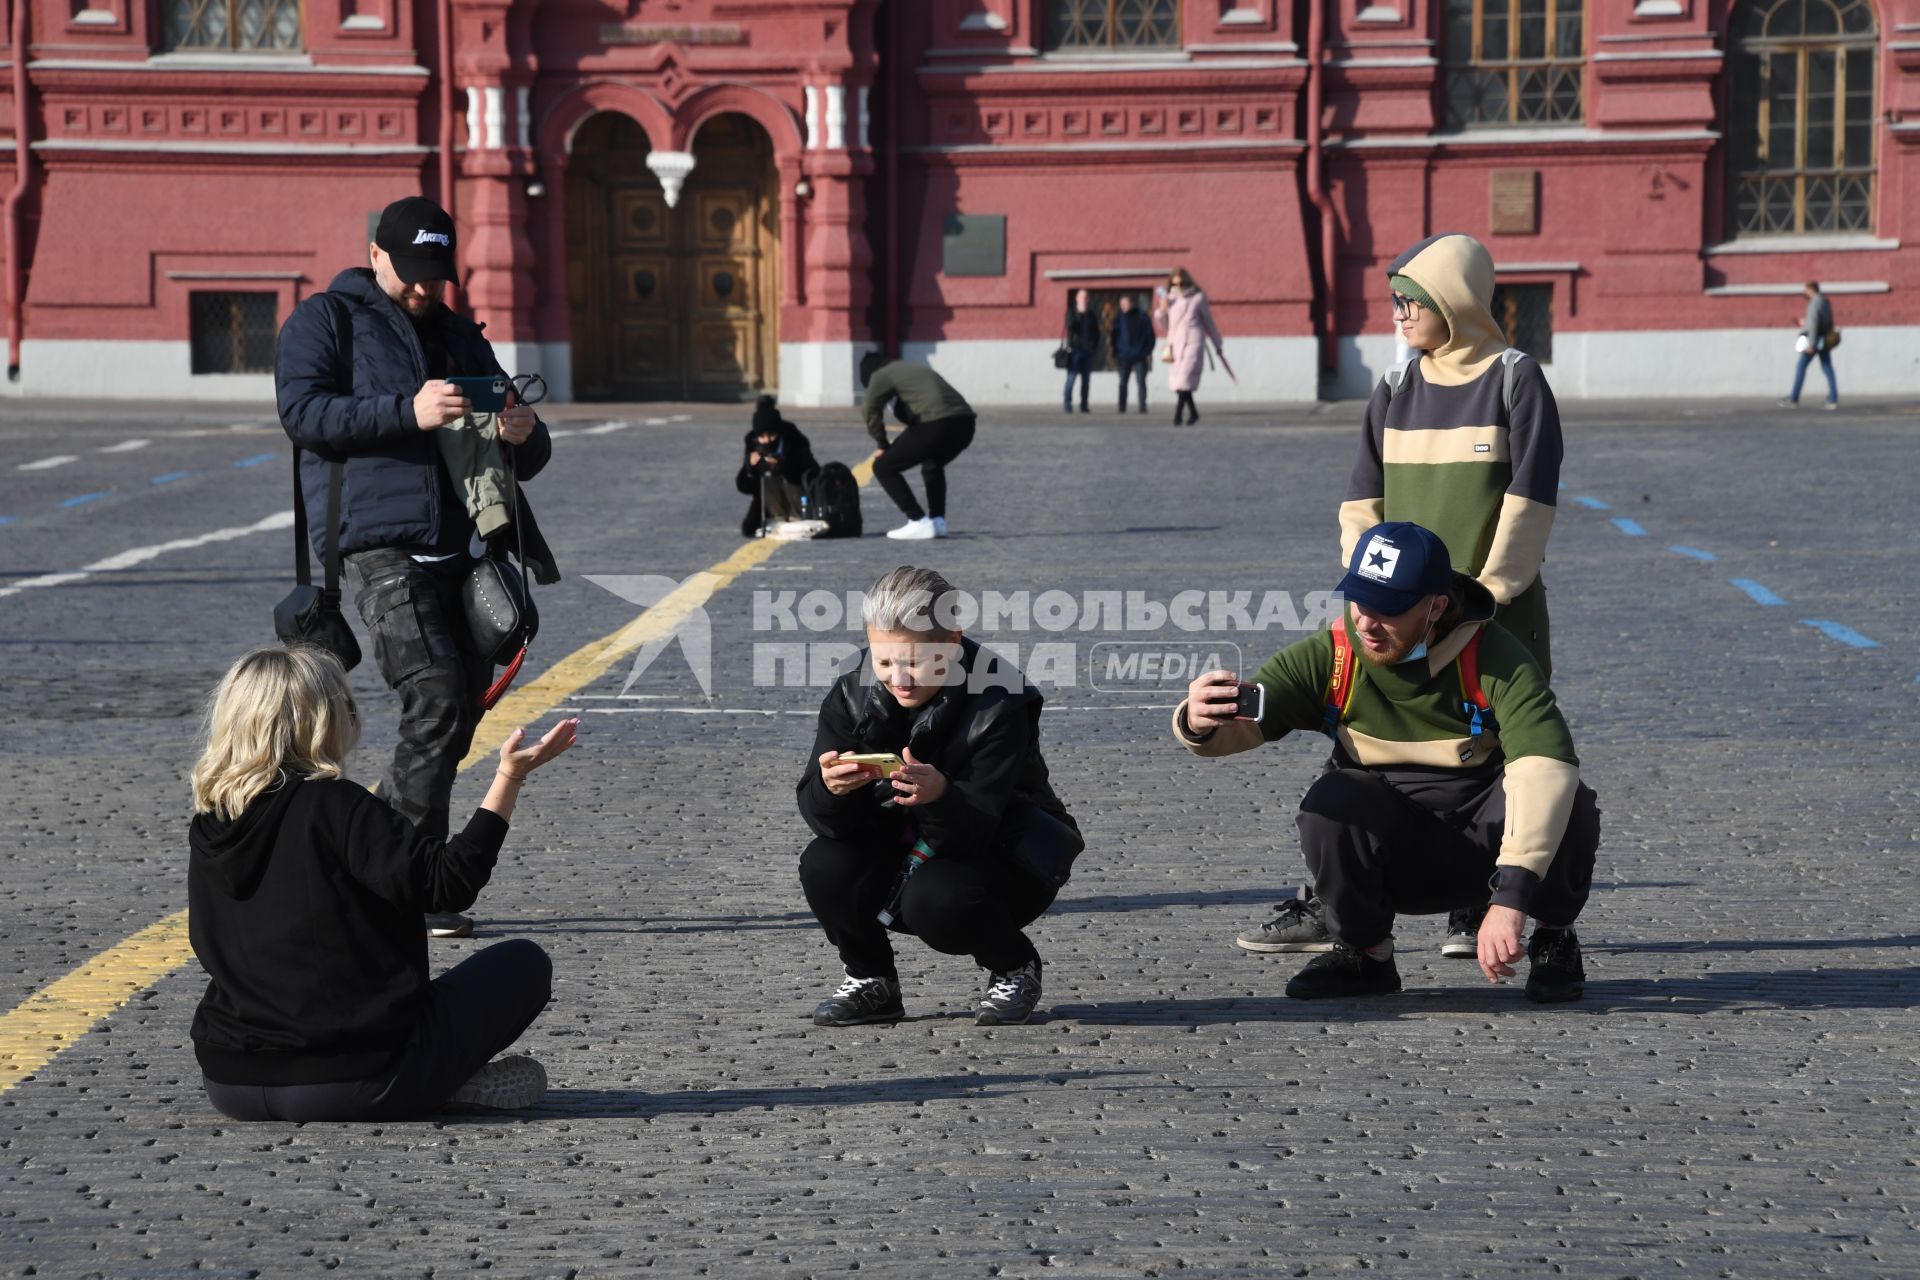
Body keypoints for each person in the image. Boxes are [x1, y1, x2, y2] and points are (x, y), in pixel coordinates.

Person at [1269, 234, 1567, 964]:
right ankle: (1342, 899)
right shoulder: (1397, 389)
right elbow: (1359, 501)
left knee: (1496, 752)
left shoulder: (1513, 380)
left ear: (1454, 301)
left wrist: (1485, 597)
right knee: (1363, 741)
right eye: (1396, 300)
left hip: (1493, 613)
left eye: (1411, 300)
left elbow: (1529, 502)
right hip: (1396, 613)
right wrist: (1372, 582)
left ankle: (1485, 899)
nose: (1398, 314)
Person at [275, 195, 557, 941]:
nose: (427, 289)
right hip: (376, 543)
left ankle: (394, 868)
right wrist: (410, 410)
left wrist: (523, 434)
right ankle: (404, 885)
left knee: (458, 705)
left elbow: (529, 455)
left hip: (466, 544)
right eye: (413, 274)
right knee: (433, 694)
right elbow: (304, 415)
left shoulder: (462, 334)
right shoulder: (325, 321)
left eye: (438, 275)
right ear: (376, 256)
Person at [1174, 522, 1598, 1004]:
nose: (1367, 624)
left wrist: (1511, 898)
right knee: (1330, 801)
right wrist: (1199, 720)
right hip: (1398, 860)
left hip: (1487, 854)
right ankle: (1365, 955)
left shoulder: (1495, 657)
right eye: (1360, 603)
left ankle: (1554, 937)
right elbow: (1249, 719)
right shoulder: (1335, 654)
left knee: (1567, 796)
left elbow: (1547, 765)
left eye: (1389, 611)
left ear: (1436, 606)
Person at [188, 645, 579, 1121]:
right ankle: (438, 1082)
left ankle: (432, 1080)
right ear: (325, 718)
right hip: (356, 1077)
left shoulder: (213, 819)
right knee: (522, 964)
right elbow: (448, 883)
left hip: (232, 1082)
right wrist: (509, 776)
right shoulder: (334, 805)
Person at [798, 565, 1080, 1027]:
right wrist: (830, 790)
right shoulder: (852, 689)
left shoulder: (1001, 699)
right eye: (884, 661)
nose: (898, 678)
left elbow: (977, 828)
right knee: (823, 863)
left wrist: (941, 795)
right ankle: (872, 980)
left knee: (936, 899)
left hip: (1004, 857)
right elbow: (824, 819)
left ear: (952, 643)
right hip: (899, 847)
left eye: (915, 661)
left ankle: (1014, 965)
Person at [860, 352, 977, 541]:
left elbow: (869, 408)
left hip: (935, 423)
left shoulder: (880, 375)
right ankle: (938, 521)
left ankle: (917, 520)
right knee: (932, 463)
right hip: (965, 424)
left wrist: (882, 444)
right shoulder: (912, 368)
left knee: (883, 467)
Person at [735, 394, 820, 537]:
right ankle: (776, 517)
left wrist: (783, 466)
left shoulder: (793, 438)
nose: (767, 441)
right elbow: (744, 486)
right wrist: (750, 467)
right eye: (762, 437)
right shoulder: (753, 443)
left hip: (798, 500)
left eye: (771, 436)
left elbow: (811, 472)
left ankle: (794, 516)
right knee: (767, 477)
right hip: (771, 507)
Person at [1153, 266, 1224, 426]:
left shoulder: (1197, 298)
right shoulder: (1170, 300)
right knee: (1179, 383)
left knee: (1184, 378)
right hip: (1175, 345)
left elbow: (1209, 323)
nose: (1177, 288)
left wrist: (1217, 343)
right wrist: (1162, 310)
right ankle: (1193, 413)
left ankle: (1177, 416)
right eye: (1174, 284)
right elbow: (1164, 326)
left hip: (1193, 342)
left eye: (1180, 284)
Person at [1780, 281, 1839, 410]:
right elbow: (1827, 321)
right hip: (1823, 338)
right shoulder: (1825, 302)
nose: (1804, 293)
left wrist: (1811, 344)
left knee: (1801, 367)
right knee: (1827, 368)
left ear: (1812, 289)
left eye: (1806, 290)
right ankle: (1833, 398)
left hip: (1813, 339)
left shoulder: (1814, 303)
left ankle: (1794, 398)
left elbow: (1813, 324)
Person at [1110, 293, 1154, 415]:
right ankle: (1122, 406)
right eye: (1121, 304)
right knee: (1123, 382)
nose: (1123, 306)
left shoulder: (1142, 317)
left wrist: (1147, 350)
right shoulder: (1119, 318)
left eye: (1125, 303)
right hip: (1123, 355)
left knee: (1141, 381)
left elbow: (1150, 335)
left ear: (1131, 303)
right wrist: (1115, 351)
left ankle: (1142, 406)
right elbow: (1114, 335)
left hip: (1140, 355)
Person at [1062, 288, 1100, 415]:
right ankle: (1067, 404)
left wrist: (1094, 347)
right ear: (1077, 299)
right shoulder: (1072, 312)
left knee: (1086, 380)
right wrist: (1079, 314)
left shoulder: (1091, 314)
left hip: (1088, 351)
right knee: (1071, 378)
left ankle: (1084, 405)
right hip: (1075, 350)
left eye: (1086, 297)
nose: (1084, 299)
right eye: (1081, 297)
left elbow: (1096, 332)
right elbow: (1069, 326)